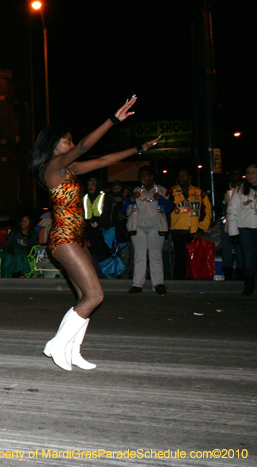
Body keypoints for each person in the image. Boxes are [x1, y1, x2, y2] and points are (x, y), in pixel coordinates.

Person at [31, 95, 160, 371]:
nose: (71, 144)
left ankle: (74, 351)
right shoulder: (51, 168)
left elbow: (103, 159)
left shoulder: (69, 169)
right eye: (66, 141)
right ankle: (57, 344)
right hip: (63, 238)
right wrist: (113, 120)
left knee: (84, 297)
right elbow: (86, 146)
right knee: (95, 295)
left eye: (70, 141)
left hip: (77, 237)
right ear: (54, 145)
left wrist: (138, 148)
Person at [124, 166, 171, 294]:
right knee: (139, 255)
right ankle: (137, 284)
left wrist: (160, 198)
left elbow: (168, 208)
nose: (143, 178)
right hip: (138, 227)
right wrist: (131, 199)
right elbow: (125, 210)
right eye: (141, 176)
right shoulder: (136, 191)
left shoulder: (162, 190)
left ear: (151, 177)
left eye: (145, 175)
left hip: (156, 227)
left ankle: (158, 284)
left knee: (155, 255)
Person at [169, 169, 212, 280]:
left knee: (193, 257)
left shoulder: (198, 192)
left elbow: (207, 212)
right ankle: (178, 279)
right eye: (180, 176)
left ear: (189, 177)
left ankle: (193, 277)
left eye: (184, 175)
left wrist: (202, 228)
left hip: (194, 231)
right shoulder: (172, 191)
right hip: (177, 230)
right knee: (179, 257)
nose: (182, 178)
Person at [226, 164, 257, 295]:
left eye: (254, 172)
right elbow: (232, 210)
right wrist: (233, 232)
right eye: (248, 173)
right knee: (248, 258)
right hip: (245, 228)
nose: (251, 175)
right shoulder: (240, 190)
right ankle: (249, 285)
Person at [83, 177, 112, 277]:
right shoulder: (85, 197)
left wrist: (97, 222)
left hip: (101, 227)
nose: (90, 187)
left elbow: (106, 212)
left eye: (92, 185)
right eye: (89, 185)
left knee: (95, 250)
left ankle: (99, 275)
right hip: (88, 227)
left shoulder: (103, 196)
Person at [220, 169, 244, 280]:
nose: (234, 176)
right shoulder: (224, 188)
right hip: (226, 220)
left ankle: (241, 271)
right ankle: (228, 272)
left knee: (240, 246)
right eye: (232, 174)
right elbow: (219, 204)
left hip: (241, 221)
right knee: (226, 246)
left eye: (237, 174)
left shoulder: (245, 188)